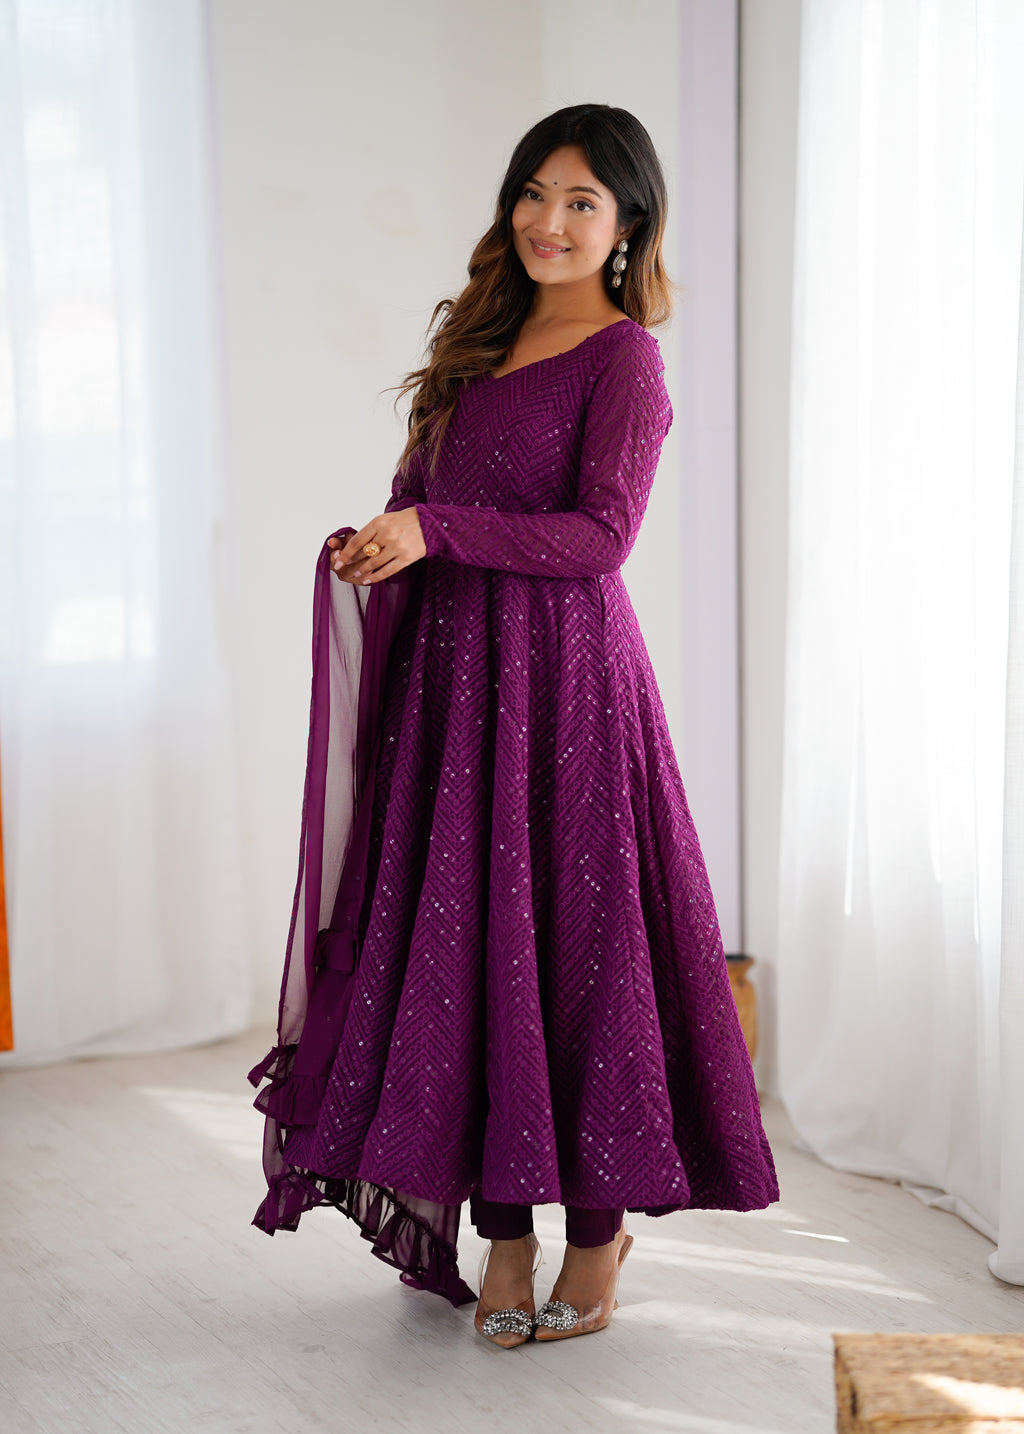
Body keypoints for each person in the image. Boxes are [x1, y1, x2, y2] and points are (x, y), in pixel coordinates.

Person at [248, 102, 779, 1350]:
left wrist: (438, 532)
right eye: (533, 193)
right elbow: (422, 498)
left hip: (568, 697)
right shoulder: (478, 337)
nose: (548, 221)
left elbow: (603, 540)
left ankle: (593, 1241)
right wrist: (384, 535)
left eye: (581, 202)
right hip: (453, 695)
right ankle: (504, 1235)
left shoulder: (624, 359)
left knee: (579, 957)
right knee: (471, 956)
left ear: (626, 224)